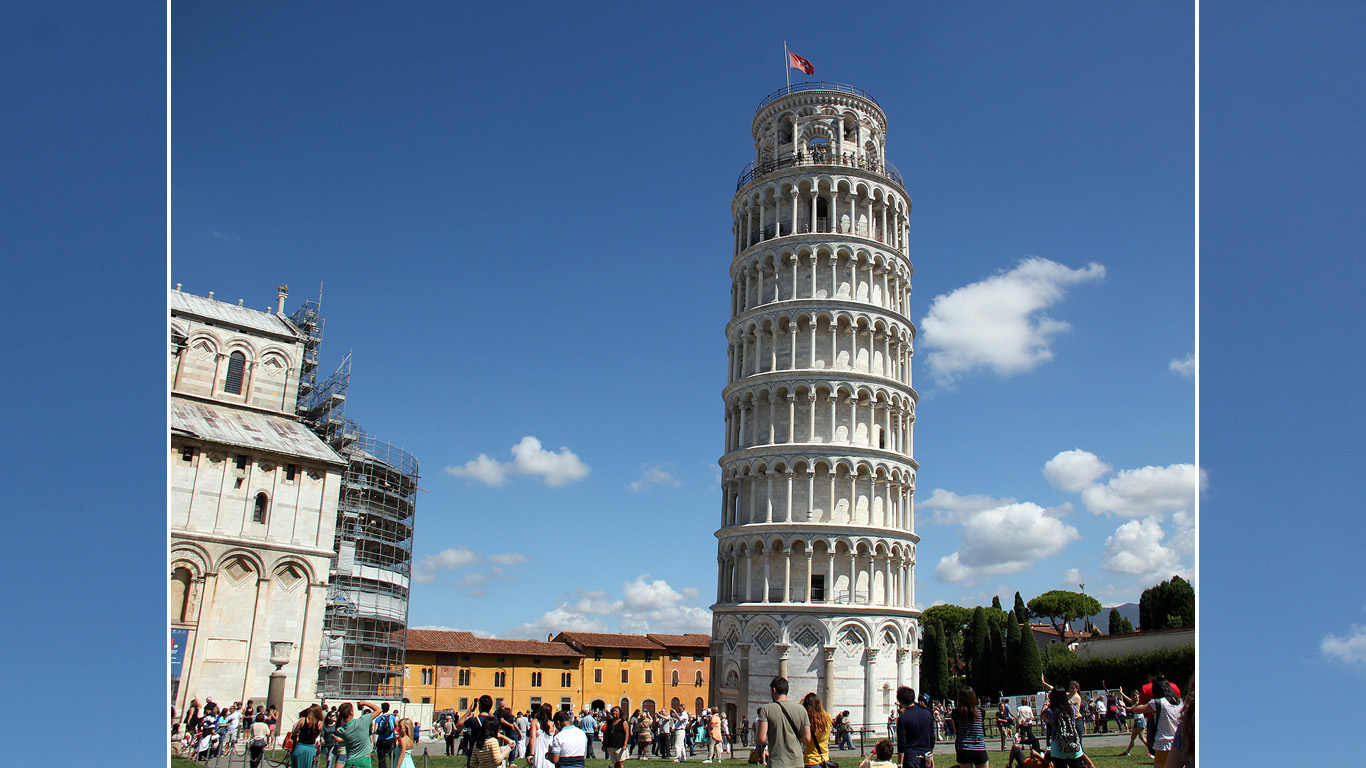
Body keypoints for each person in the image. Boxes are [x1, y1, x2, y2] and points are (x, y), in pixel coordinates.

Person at [755, 676, 813, 768]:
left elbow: (761, 739)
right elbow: (807, 738)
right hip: (797, 762)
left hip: (777, 762)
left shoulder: (766, 709)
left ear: (774, 690)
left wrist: (774, 740)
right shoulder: (801, 709)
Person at [1133, 678, 1182, 768]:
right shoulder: (1179, 702)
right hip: (1178, 742)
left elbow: (1136, 710)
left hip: (1163, 743)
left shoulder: (1158, 702)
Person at [1042, 688, 1085, 768]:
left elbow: (1043, 716)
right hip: (1074, 744)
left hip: (1058, 746)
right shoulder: (1071, 708)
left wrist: (1046, 701)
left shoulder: (1050, 711)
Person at [894, 687, 933, 768]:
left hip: (911, 756)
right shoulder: (927, 714)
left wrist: (900, 763)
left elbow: (902, 742)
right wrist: (930, 754)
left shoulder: (903, 718)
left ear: (901, 701)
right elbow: (932, 737)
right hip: (926, 754)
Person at [950, 688, 988, 768]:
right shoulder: (981, 712)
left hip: (963, 748)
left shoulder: (956, 713)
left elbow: (956, 729)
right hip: (979, 747)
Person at [337, 701, 381, 768]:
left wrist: (340, 716)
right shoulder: (362, 721)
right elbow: (379, 710)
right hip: (365, 760)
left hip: (351, 761)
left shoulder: (341, 730)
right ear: (351, 712)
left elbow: (337, 728)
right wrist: (365, 703)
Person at [800, 694, 832, 768]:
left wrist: (801, 704)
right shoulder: (828, 717)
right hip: (825, 759)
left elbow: (805, 739)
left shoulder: (808, 721)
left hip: (811, 760)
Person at [1118, 689, 1148, 758]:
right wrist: (1122, 693)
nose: (1135, 697)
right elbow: (1128, 699)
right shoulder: (1135, 701)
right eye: (1133, 696)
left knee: (1141, 737)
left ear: (1138, 695)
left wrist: (1123, 707)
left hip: (1140, 720)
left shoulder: (1139, 702)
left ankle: (1151, 751)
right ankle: (1127, 751)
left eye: (1136, 695)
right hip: (1136, 720)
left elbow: (1131, 708)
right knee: (1133, 737)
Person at [373, 703, 399, 768]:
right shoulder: (392, 717)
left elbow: (375, 731)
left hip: (381, 740)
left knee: (382, 760)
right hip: (391, 739)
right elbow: (396, 725)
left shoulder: (379, 718)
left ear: (382, 709)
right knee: (393, 758)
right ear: (388, 708)